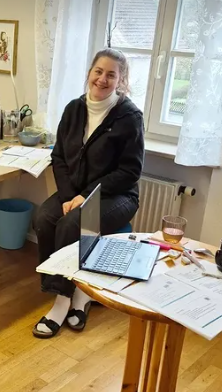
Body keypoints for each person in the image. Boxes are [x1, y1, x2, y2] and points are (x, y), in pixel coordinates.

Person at [33, 48, 143, 338]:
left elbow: (130, 171)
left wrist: (86, 195)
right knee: (44, 218)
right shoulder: (73, 109)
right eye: (98, 71)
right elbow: (58, 157)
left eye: (111, 75)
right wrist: (69, 196)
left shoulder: (129, 116)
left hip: (117, 195)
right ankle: (77, 291)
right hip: (76, 191)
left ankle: (64, 301)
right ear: (89, 73)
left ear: (121, 80)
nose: (102, 79)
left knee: (72, 224)